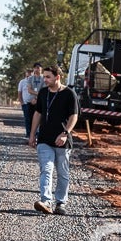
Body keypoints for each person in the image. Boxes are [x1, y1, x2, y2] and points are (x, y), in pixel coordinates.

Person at [28, 65, 79, 215]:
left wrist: (65, 133)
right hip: (44, 138)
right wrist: (32, 134)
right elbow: (38, 113)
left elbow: (74, 116)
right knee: (46, 169)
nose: (45, 80)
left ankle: (61, 202)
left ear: (57, 77)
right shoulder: (43, 93)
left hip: (62, 140)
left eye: (48, 77)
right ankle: (46, 201)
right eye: (44, 77)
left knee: (62, 172)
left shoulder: (70, 94)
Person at [25, 63, 44, 135]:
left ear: (41, 69)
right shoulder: (30, 78)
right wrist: (37, 95)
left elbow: (44, 90)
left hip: (40, 102)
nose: (37, 69)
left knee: (40, 119)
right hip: (31, 102)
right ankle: (31, 135)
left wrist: (36, 98)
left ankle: (39, 135)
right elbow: (29, 90)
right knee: (30, 119)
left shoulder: (44, 78)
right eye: (35, 68)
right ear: (33, 69)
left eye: (38, 68)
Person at [18, 68, 34, 137]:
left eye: (31, 73)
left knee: (34, 119)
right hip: (25, 103)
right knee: (27, 119)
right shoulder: (22, 82)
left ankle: (34, 134)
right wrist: (22, 103)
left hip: (34, 103)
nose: (29, 75)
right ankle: (28, 134)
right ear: (26, 74)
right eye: (28, 73)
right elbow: (19, 93)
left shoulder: (35, 81)